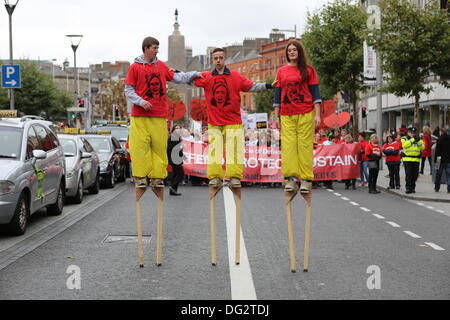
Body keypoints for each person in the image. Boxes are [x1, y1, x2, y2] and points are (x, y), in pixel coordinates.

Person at [124, 36, 201, 189]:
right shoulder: (134, 67)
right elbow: (129, 89)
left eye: (158, 48)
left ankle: (157, 177)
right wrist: (140, 101)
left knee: (159, 147)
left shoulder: (161, 66)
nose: (157, 51)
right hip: (140, 115)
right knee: (140, 146)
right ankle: (140, 176)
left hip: (159, 114)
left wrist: (193, 74)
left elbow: (176, 77)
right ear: (146, 48)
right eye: (154, 48)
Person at [194, 47, 275, 188]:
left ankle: (234, 177)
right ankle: (214, 177)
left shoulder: (236, 76)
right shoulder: (206, 77)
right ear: (212, 60)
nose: (218, 60)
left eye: (221, 58)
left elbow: (252, 86)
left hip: (233, 121)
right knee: (215, 150)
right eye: (215, 58)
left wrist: (269, 85)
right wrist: (172, 74)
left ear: (225, 59)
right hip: (215, 121)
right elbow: (187, 79)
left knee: (235, 150)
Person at [272, 39, 321, 193]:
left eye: (294, 50)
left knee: (304, 145)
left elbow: (315, 93)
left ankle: (306, 180)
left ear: (299, 52)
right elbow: (277, 95)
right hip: (287, 114)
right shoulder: (281, 71)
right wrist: (276, 117)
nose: (291, 52)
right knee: (289, 146)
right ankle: (291, 179)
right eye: (289, 50)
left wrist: (317, 114)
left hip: (306, 112)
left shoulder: (309, 70)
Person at [401, 126, 424, 194]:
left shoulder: (418, 139)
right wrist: (412, 140)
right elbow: (404, 146)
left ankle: (413, 187)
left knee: (415, 175)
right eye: (411, 133)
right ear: (408, 132)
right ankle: (408, 188)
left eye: (413, 133)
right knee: (408, 174)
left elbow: (422, 147)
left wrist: (419, 141)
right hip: (407, 159)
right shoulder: (404, 138)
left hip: (416, 159)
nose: (412, 134)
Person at [434, 127, 450, 193]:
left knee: (438, 174)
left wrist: (435, 160)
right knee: (449, 175)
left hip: (439, 159)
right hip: (448, 160)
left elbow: (437, 151)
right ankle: (449, 189)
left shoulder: (439, 139)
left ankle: (437, 187)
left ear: (441, 132)